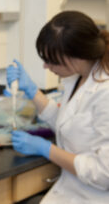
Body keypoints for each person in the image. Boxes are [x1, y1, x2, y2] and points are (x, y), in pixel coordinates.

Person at [6, 11, 109, 203]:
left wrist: (47, 149)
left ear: (77, 56)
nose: (45, 66)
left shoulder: (105, 93)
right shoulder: (79, 76)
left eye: (51, 60)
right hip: (68, 191)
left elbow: (104, 174)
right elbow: (68, 122)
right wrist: (32, 90)